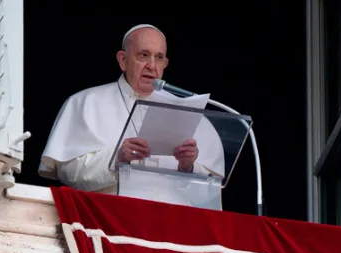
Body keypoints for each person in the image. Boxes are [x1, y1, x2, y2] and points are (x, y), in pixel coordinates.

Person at [38, 24, 225, 198]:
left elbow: (212, 194)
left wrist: (188, 168)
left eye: (159, 58)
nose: (152, 66)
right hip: (108, 223)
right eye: (144, 55)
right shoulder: (85, 102)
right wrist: (117, 160)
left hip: (171, 226)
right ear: (123, 60)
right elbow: (67, 172)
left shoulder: (192, 115)